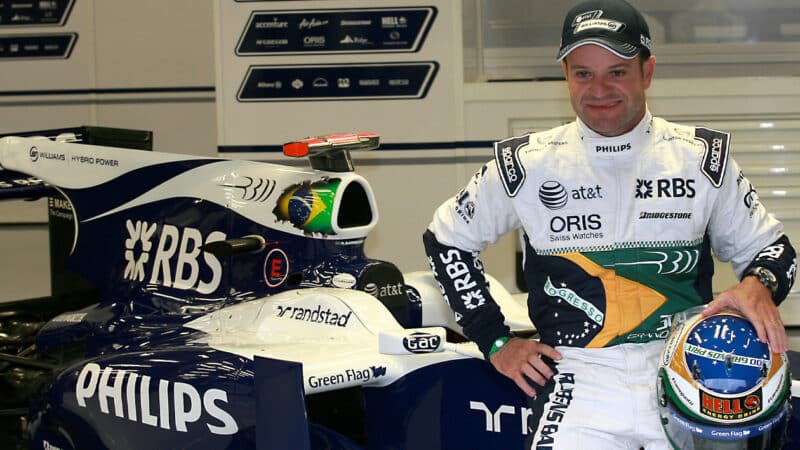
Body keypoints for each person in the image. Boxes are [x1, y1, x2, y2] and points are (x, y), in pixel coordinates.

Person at [421, 0, 797, 448]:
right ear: (566, 74)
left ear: (648, 71)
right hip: (579, 375)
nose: (599, 89)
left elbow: (773, 251)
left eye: (616, 72)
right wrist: (495, 340)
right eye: (583, 73)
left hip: (684, 370)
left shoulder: (700, 158)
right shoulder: (526, 163)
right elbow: (445, 240)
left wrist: (760, 284)